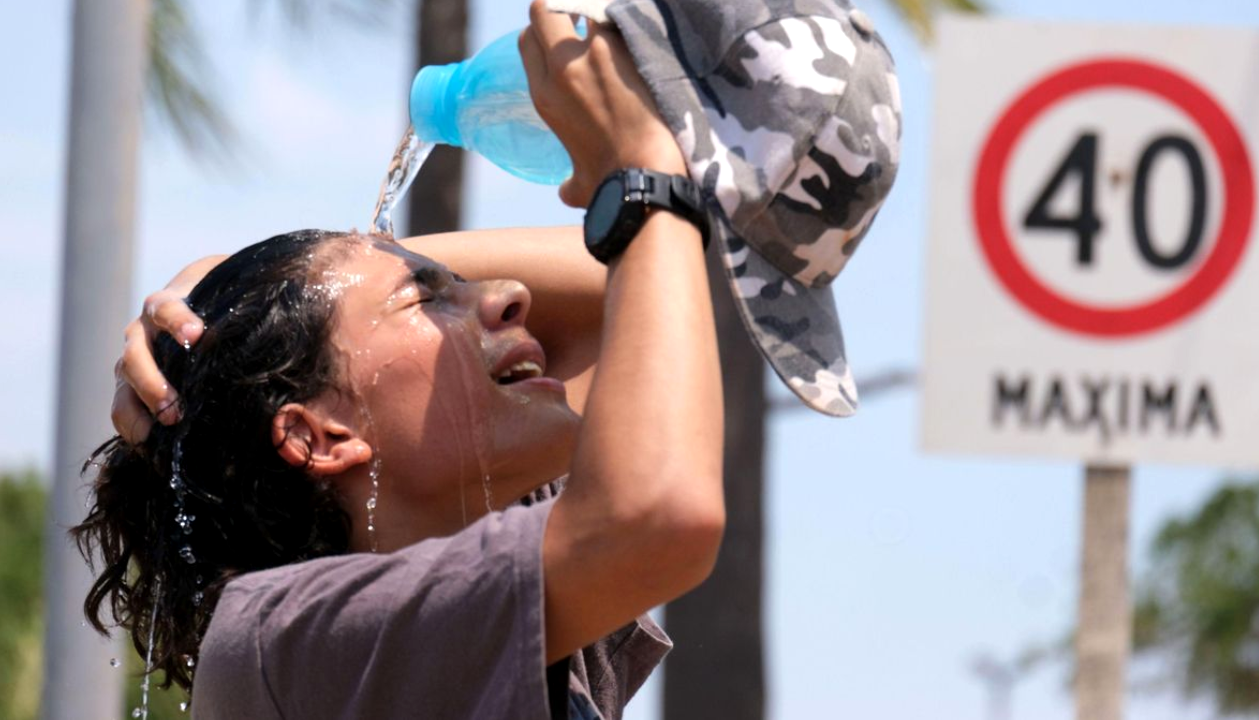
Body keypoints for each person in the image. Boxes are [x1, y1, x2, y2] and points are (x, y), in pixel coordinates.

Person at [89, 0, 900, 717]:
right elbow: (660, 510)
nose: (510, 294)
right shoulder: (283, 642)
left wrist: (275, 277)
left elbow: (651, 283)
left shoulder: (498, 558)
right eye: (427, 299)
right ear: (319, 434)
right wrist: (643, 178)